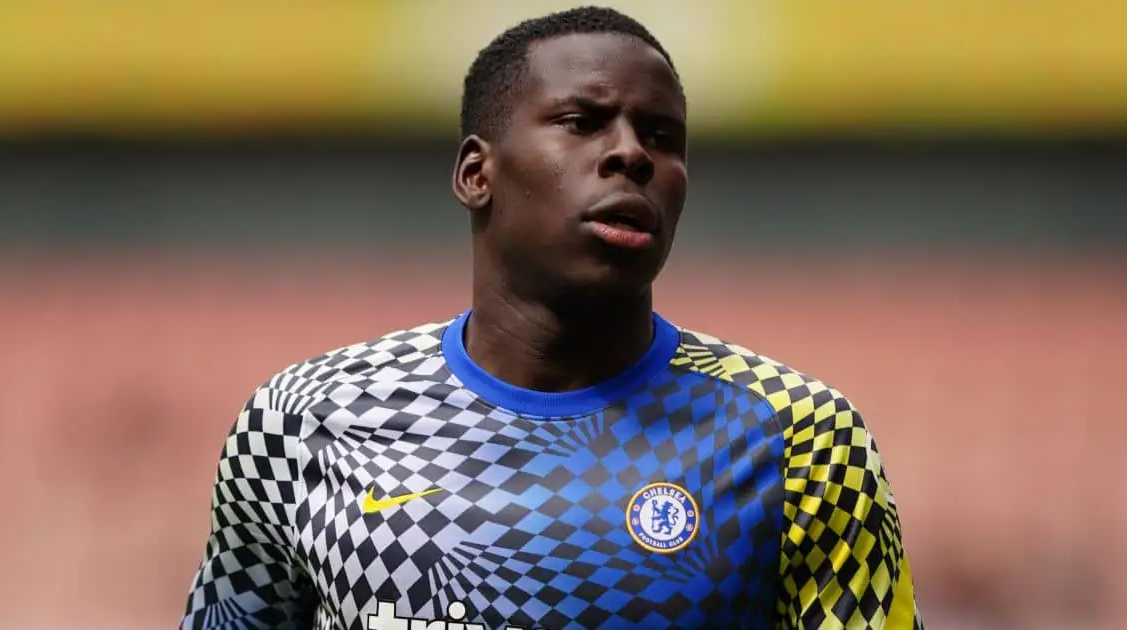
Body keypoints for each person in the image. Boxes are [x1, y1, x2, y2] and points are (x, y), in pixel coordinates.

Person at [180, 6, 923, 629]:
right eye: (583, 121)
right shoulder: (305, 424)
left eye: (663, 138)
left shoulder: (800, 438)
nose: (631, 154)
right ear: (478, 173)